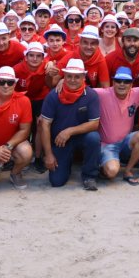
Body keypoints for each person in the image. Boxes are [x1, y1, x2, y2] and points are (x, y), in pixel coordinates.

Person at [40, 59, 101, 190]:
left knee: (94, 138)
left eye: (77, 76)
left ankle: (89, 176)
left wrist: (69, 131)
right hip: (59, 141)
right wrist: (49, 155)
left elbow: (94, 124)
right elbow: (44, 125)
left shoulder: (91, 95)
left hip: (80, 137)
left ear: (83, 77)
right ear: (64, 76)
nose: (73, 80)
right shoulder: (53, 96)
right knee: (56, 181)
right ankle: (66, 165)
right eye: (69, 76)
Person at [94, 67, 139, 185]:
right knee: (112, 172)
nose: (122, 84)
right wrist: (62, 81)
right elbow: (80, 88)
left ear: (131, 84)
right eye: (118, 81)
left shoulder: (137, 92)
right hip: (107, 145)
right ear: (113, 82)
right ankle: (103, 164)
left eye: (126, 81)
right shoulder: (102, 93)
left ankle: (128, 170)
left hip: (126, 142)